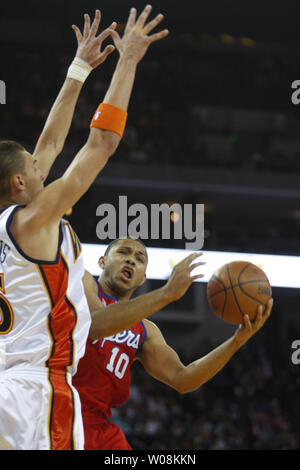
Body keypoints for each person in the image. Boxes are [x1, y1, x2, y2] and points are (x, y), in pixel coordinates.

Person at [0, 5, 169, 450]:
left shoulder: (10, 220)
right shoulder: (36, 218)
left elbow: (51, 140)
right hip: (37, 391)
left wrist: (78, 70)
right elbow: (102, 142)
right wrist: (128, 59)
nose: (43, 167)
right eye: (35, 169)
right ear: (20, 183)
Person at [73, 238, 273, 450]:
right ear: (102, 262)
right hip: (60, 411)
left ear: (143, 278)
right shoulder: (83, 281)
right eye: (123, 253)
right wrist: (167, 293)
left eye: (139, 259)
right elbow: (96, 324)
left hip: (100, 429)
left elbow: (183, 379)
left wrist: (236, 341)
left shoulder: (145, 331)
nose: (131, 260)